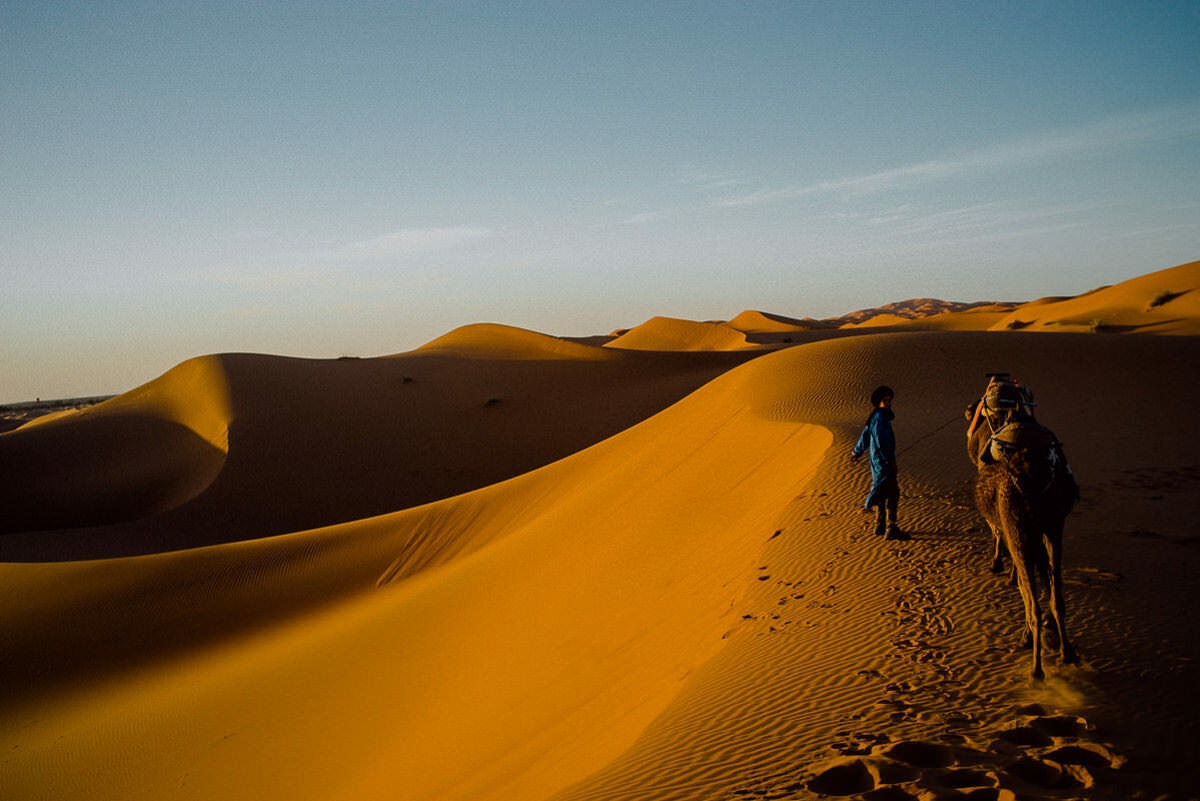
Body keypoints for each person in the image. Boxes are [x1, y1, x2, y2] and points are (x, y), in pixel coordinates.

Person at [851, 385, 908, 540]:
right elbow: (881, 442)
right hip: (883, 461)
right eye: (885, 401)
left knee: (883, 491)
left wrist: (856, 451)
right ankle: (891, 527)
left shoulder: (875, 417)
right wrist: (889, 461)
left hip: (878, 462)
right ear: (878, 402)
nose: (888, 403)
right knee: (892, 493)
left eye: (889, 400)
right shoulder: (879, 420)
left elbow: (865, 436)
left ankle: (879, 524)